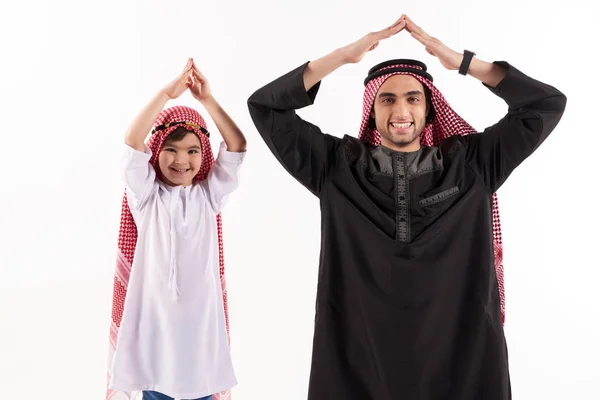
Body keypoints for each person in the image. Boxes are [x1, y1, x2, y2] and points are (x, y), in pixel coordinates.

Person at [247, 15, 566, 399]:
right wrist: (343, 57)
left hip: (461, 366)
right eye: (388, 98)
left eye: (413, 98)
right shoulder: (335, 168)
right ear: (372, 110)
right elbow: (266, 108)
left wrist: (462, 63)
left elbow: (545, 104)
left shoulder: (473, 166)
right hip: (359, 368)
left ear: (430, 110)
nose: (401, 111)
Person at [107, 58, 247, 400]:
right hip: (155, 331)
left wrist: (207, 101)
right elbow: (132, 142)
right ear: (157, 152)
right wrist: (165, 94)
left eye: (192, 151)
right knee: (157, 389)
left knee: (200, 390)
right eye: (171, 149)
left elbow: (238, 146)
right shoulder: (147, 197)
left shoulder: (208, 196)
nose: (181, 160)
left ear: (204, 156)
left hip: (200, 334)